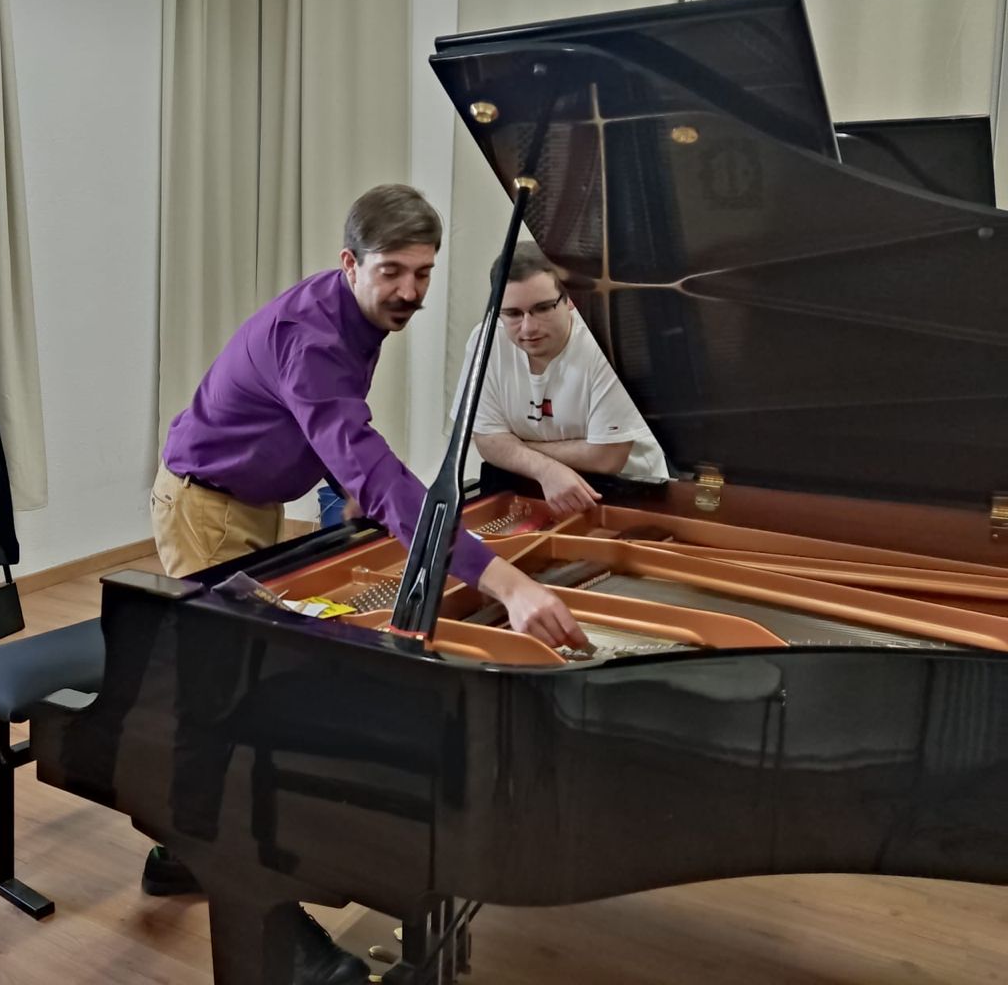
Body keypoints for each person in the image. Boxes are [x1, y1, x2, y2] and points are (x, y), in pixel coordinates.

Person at [150, 183, 587, 985]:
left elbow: (336, 435)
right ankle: (197, 851)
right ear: (349, 262)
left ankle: (189, 844)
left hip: (255, 501)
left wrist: (349, 499)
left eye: (424, 273)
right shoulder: (312, 335)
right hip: (207, 508)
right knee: (220, 689)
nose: (411, 292)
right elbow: (364, 455)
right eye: (393, 272)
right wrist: (505, 582)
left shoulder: (358, 316)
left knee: (234, 684)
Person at [462, 242, 669, 515]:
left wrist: (516, 447)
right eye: (512, 313)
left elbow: (606, 457)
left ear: (570, 299)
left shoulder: (609, 344)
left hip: (631, 497)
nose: (528, 327)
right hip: (528, 489)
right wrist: (545, 469)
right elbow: (487, 442)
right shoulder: (485, 340)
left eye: (543, 308)